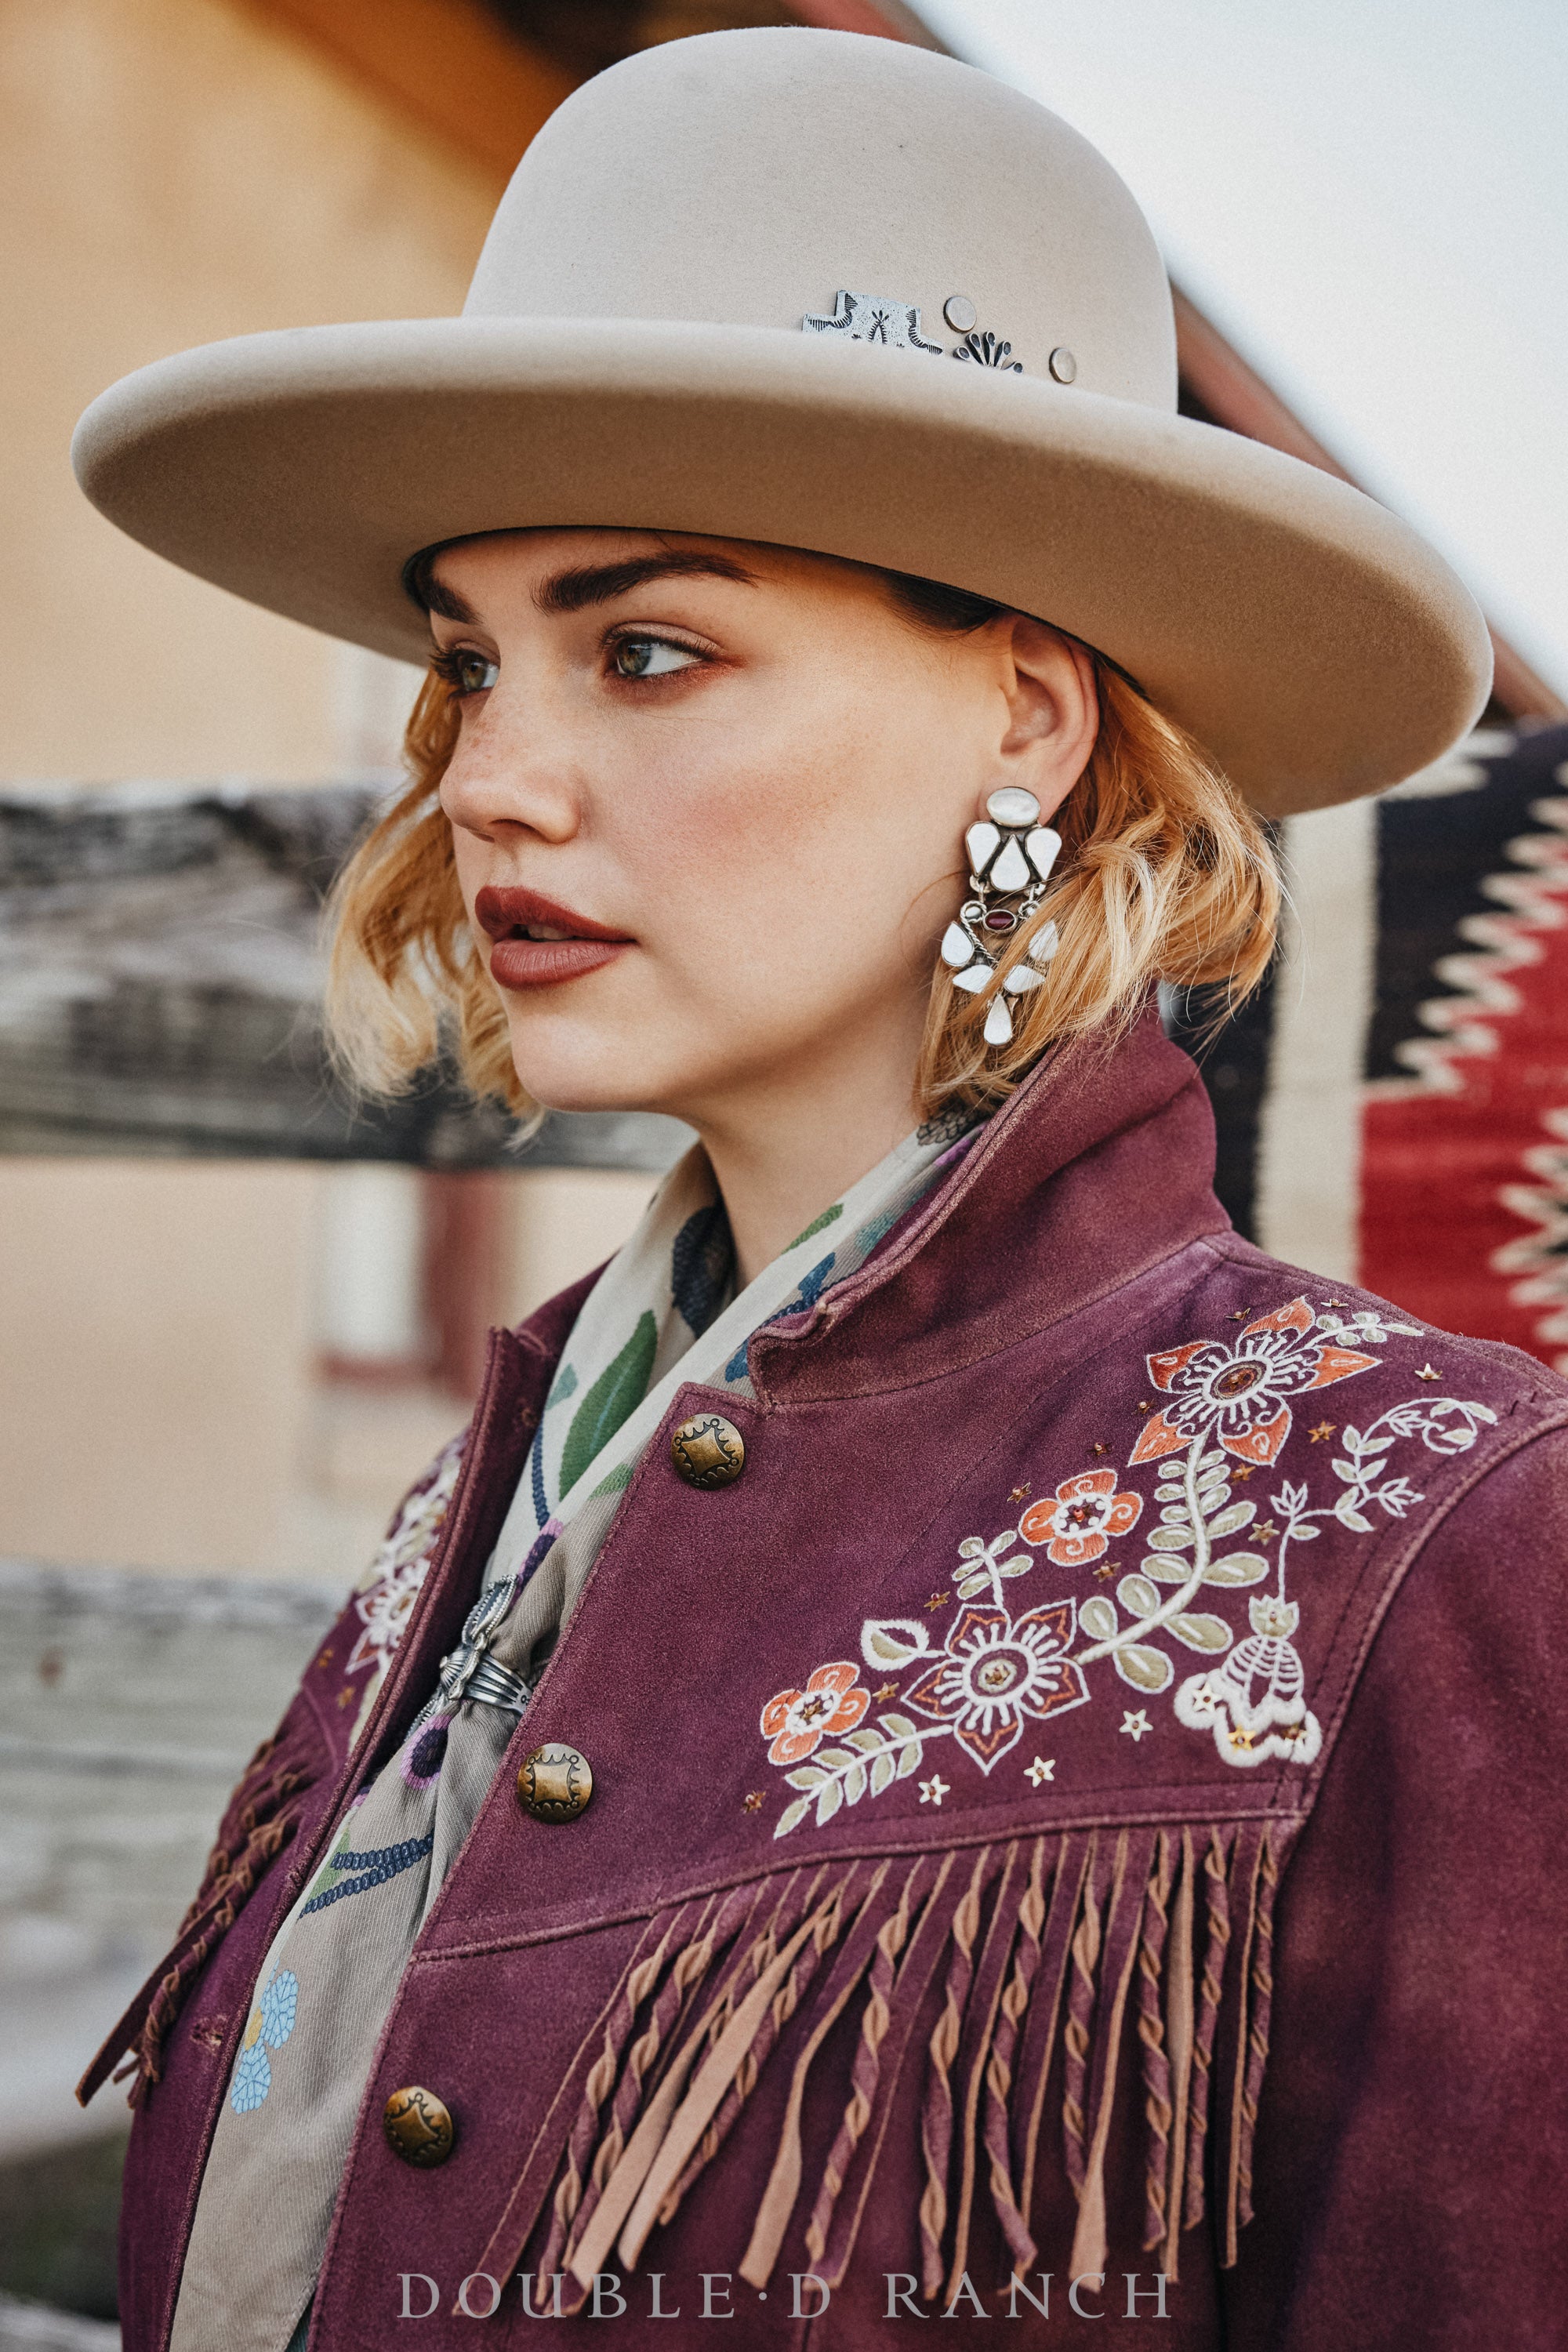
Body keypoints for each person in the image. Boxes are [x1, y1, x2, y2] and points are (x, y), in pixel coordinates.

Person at [70, 27, 1566, 2352]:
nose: (491, 781)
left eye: (649, 650)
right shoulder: (487, 1505)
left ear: (1028, 717)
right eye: (474, 663)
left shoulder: (1432, 1535)